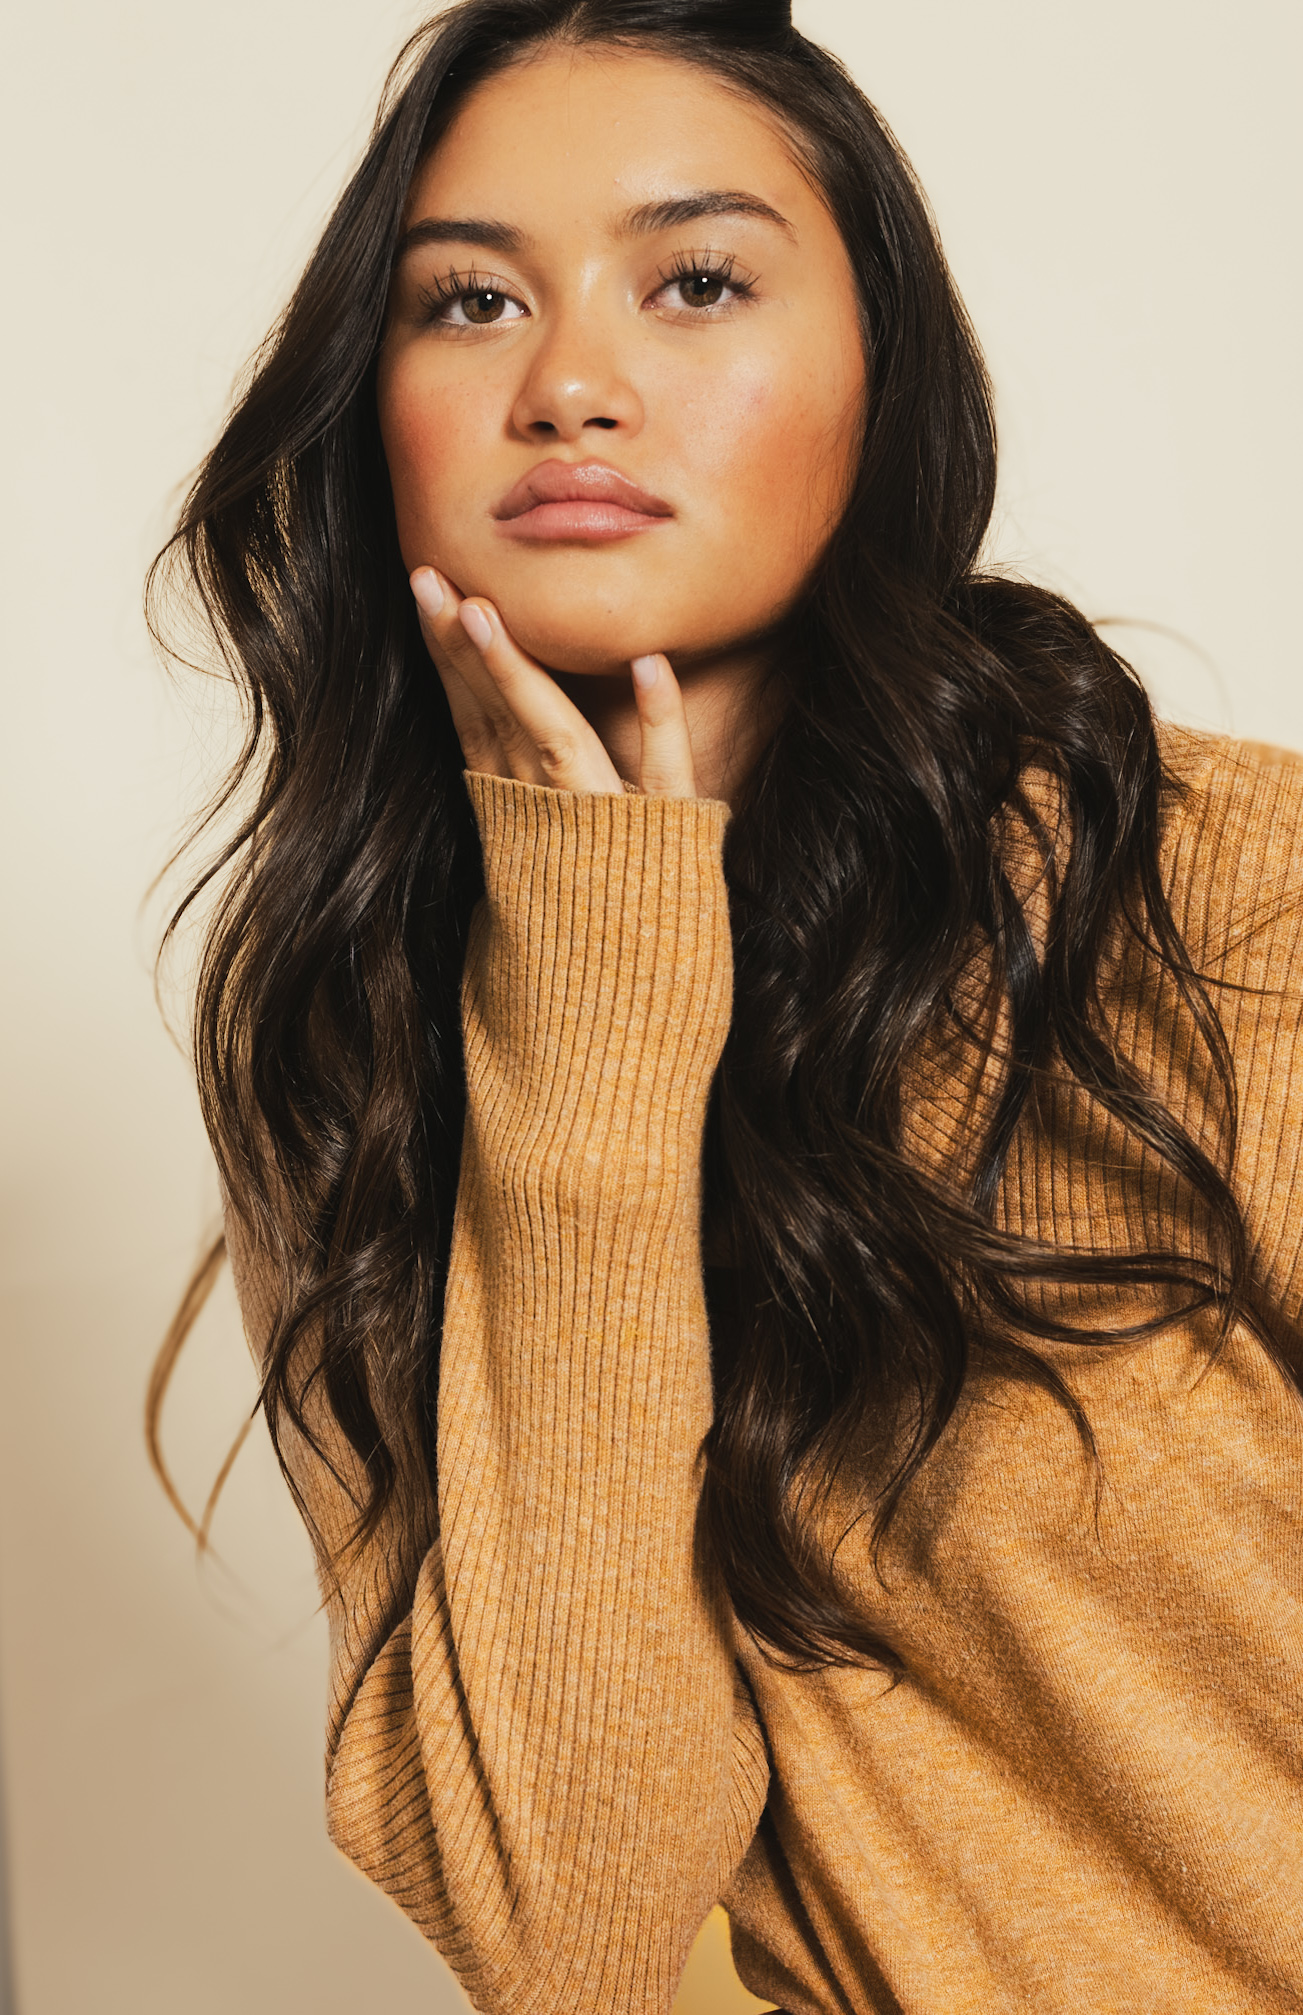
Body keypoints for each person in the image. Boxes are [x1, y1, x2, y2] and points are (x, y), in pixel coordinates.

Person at [147, 1, 1303, 2009]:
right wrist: (591, 982)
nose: (571, 386)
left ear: (880, 377)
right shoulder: (349, 1056)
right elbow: (576, 1932)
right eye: (469, 302)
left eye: (695, 282)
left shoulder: (1224, 896)